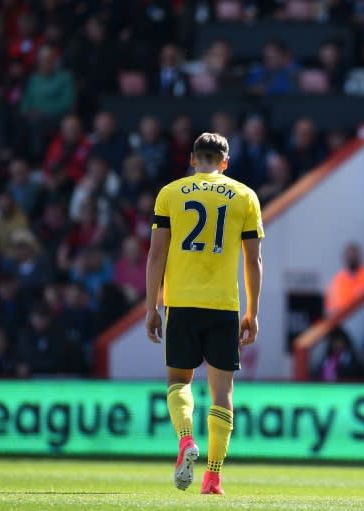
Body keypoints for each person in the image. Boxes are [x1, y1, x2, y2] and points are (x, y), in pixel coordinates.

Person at [145, 132, 264, 495]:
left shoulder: (170, 193)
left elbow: (156, 256)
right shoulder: (245, 196)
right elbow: (253, 260)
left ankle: (185, 439)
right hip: (223, 305)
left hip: (180, 302)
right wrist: (253, 312)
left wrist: (152, 306)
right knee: (222, 392)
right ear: (225, 162)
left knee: (179, 382)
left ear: (194, 159)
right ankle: (212, 477)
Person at [325, 243, 364, 315]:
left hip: (361, 315)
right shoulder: (338, 278)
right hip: (340, 318)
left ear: (359, 257)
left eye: (354, 256)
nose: (351, 258)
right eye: (349, 256)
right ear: (344, 258)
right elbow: (331, 304)